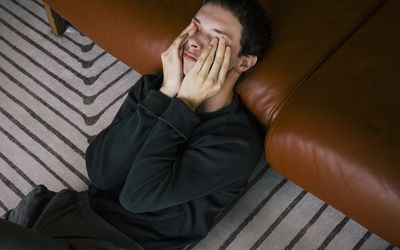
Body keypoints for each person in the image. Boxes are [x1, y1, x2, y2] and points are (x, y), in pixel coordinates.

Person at [0, 0, 272, 249]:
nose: (193, 41)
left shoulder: (236, 143)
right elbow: (101, 172)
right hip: (65, 219)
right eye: (195, 27)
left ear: (244, 62)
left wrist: (184, 104)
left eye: (215, 38)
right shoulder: (155, 88)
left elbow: (137, 197)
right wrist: (166, 95)